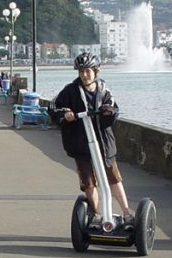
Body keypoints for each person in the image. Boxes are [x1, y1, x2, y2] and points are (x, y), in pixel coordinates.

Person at [54, 52, 135, 228]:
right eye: (81, 71)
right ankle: (97, 215)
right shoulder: (70, 91)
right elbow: (54, 107)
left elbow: (114, 108)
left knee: (113, 179)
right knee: (89, 183)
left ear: (96, 71)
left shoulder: (104, 90)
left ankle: (127, 213)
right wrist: (64, 113)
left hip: (104, 144)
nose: (84, 75)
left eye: (88, 71)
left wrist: (108, 111)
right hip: (81, 144)